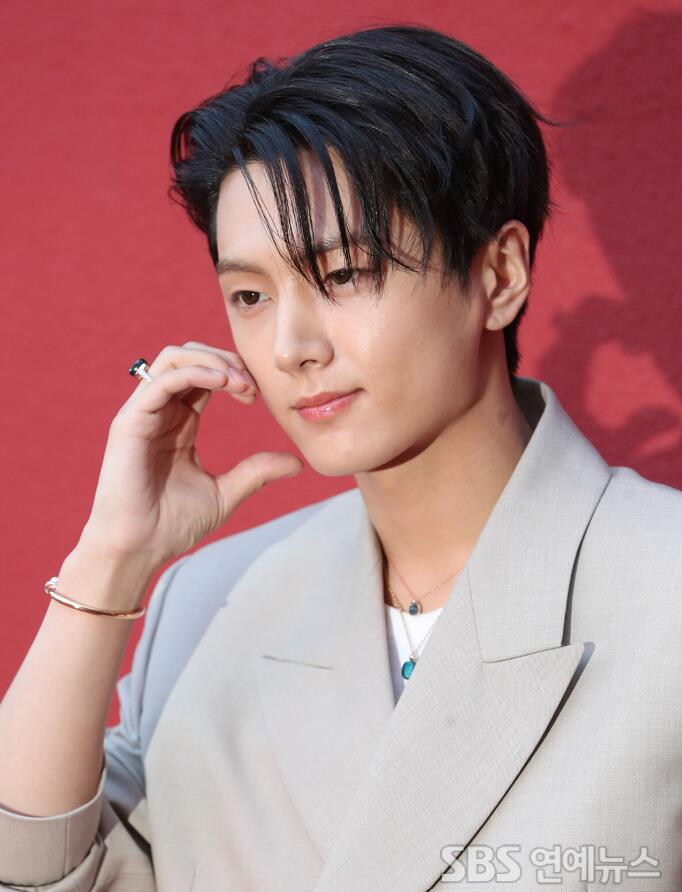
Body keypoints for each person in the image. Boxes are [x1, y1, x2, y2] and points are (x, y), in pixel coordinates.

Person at [0, 22, 680, 892]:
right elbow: (41, 873)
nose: (291, 347)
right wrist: (109, 563)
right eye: (250, 295)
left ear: (499, 274)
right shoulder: (210, 604)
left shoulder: (663, 591)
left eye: (346, 273)